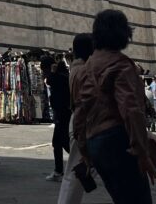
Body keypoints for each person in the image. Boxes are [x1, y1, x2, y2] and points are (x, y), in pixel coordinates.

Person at [72, 10, 156, 204]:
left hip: (96, 143)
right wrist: (142, 152)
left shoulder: (87, 67)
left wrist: (85, 150)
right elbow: (131, 109)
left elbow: (80, 111)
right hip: (118, 141)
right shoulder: (121, 65)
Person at [57, 32, 97, 204]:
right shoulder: (83, 71)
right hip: (84, 121)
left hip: (81, 120)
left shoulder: (76, 68)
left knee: (79, 169)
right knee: (75, 171)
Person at [42, 55, 71, 182]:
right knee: (59, 142)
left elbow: (50, 81)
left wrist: (52, 72)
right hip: (63, 112)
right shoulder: (62, 75)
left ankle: (87, 162)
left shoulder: (59, 76)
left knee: (62, 142)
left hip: (62, 113)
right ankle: (58, 170)